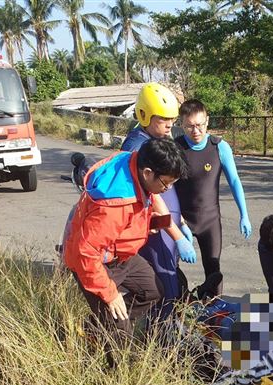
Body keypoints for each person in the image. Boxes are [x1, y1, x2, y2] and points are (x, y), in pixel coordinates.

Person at [63, 138, 189, 366]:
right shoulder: (114, 204)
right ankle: (115, 368)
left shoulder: (132, 162)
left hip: (121, 254)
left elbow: (140, 213)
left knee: (152, 290)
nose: (166, 189)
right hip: (96, 264)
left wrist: (174, 226)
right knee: (121, 335)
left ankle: (98, 326)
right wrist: (110, 294)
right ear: (148, 173)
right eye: (166, 183)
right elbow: (86, 254)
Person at [122, 83, 197, 303]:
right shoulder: (136, 147)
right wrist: (177, 234)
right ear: (144, 115)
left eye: (172, 120)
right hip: (158, 228)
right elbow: (152, 198)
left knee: (171, 280)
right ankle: (162, 336)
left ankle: (166, 330)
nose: (170, 125)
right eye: (163, 119)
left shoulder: (158, 139)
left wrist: (180, 221)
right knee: (165, 286)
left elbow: (168, 189)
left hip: (169, 223)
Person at [174, 99, 251, 296]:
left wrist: (244, 214)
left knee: (213, 271)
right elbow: (165, 190)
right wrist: (179, 225)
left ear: (207, 121)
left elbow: (234, 180)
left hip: (209, 221)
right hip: (181, 220)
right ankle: (177, 309)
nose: (195, 131)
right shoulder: (175, 149)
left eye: (199, 125)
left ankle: (215, 313)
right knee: (170, 269)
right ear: (181, 124)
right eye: (189, 126)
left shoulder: (219, 147)